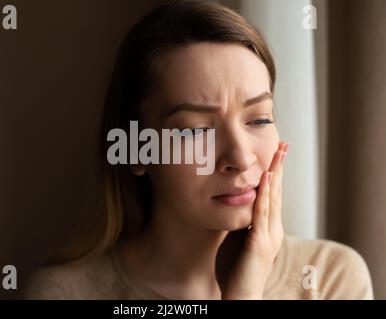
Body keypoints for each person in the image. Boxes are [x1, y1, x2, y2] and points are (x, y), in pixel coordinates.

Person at [25, 0, 373, 300]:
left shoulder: (330, 278)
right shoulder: (64, 292)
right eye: (196, 131)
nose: (240, 158)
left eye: (260, 120)